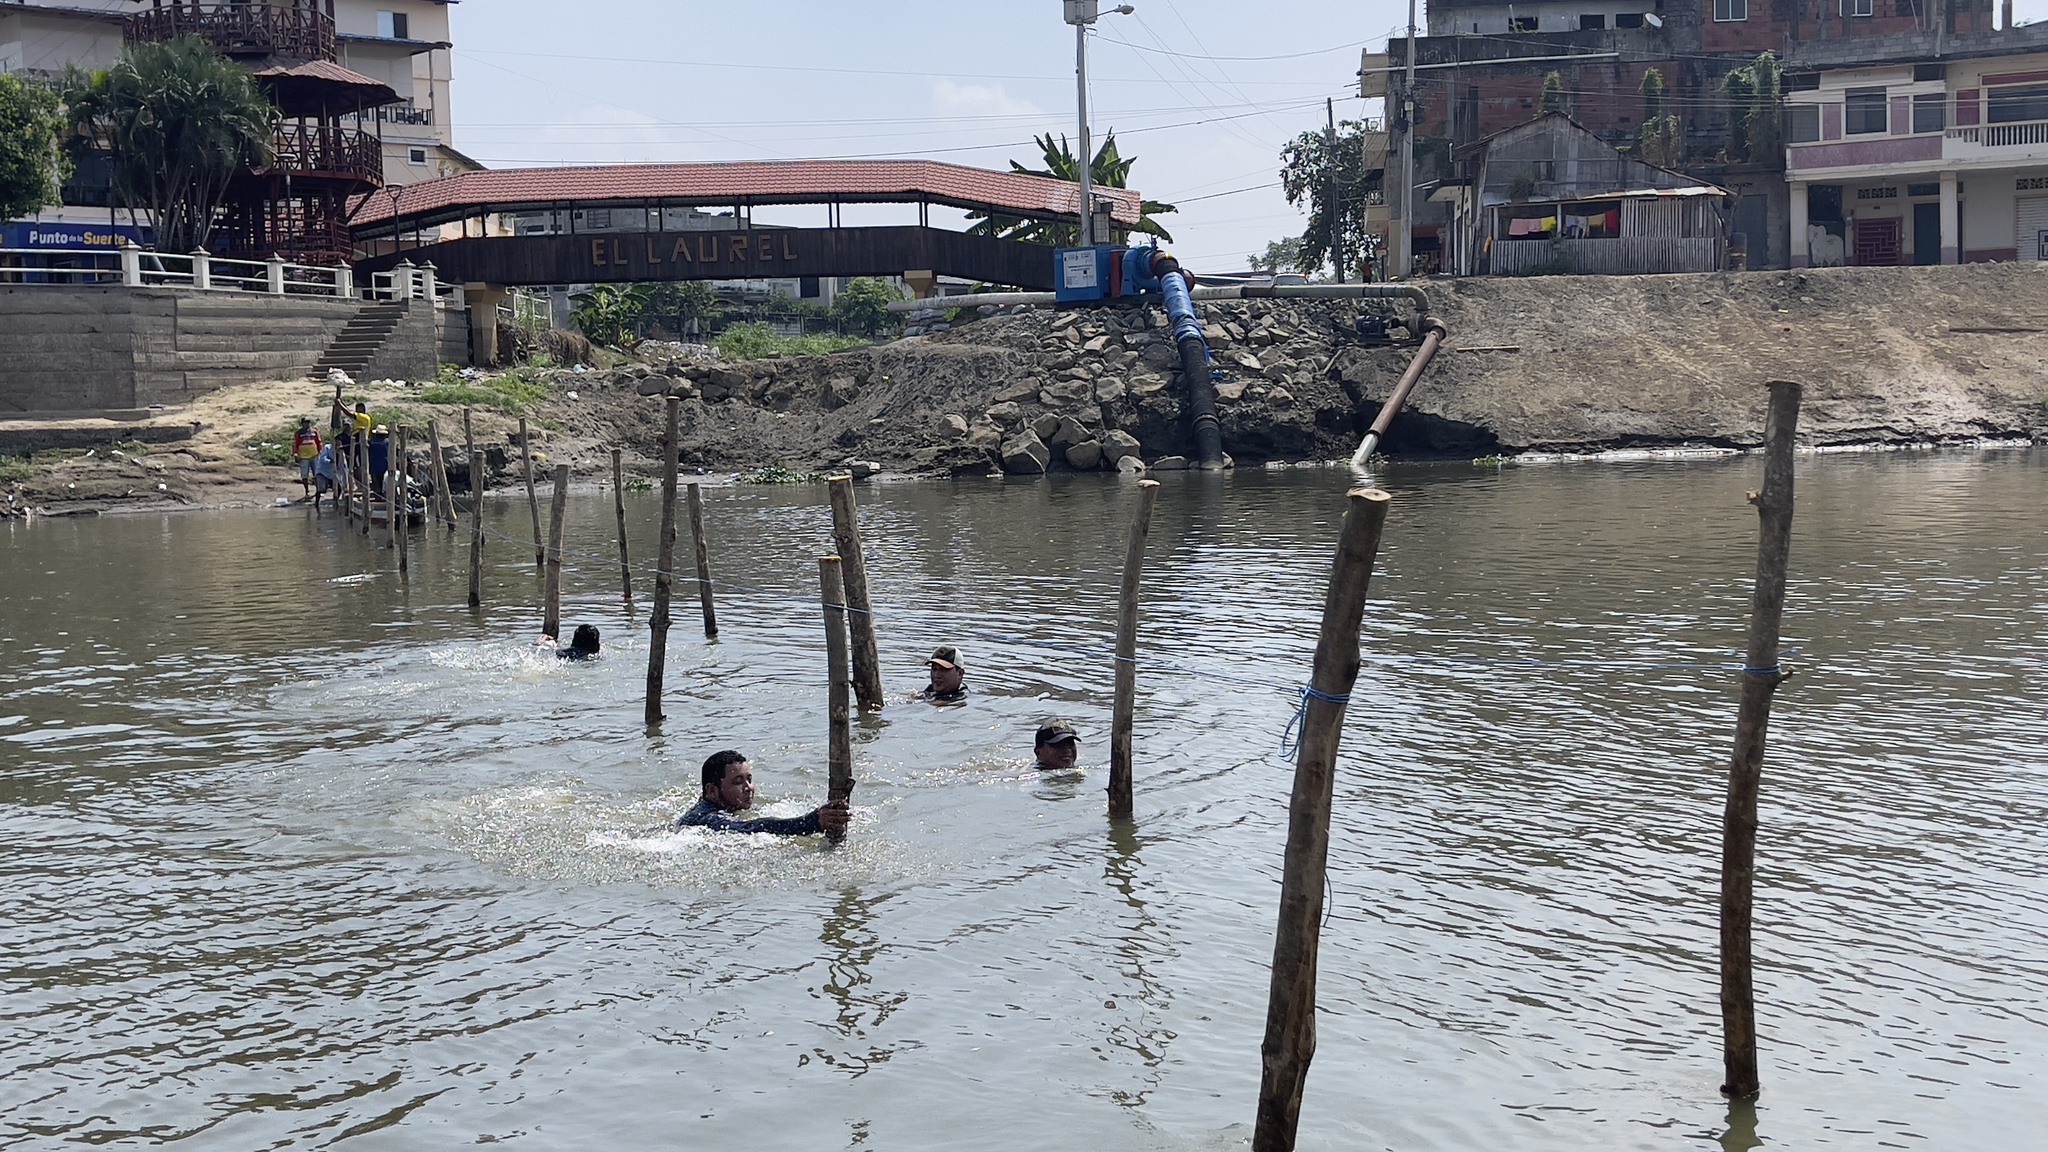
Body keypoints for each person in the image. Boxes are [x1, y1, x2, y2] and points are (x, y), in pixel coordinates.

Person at [677, 750, 850, 837]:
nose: (749, 788)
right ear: (712, 791)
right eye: (738, 782)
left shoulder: (719, 809)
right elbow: (749, 828)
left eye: (749, 779)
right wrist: (812, 822)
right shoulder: (706, 818)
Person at [292, 417, 322, 499]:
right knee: (305, 475)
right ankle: (307, 492)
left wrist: (320, 452)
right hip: (303, 457)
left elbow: (319, 442)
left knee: (317, 474)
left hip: (314, 456)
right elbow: (295, 444)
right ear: (302, 424)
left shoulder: (314, 432)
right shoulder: (299, 433)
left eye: (308, 422)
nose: (307, 424)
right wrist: (295, 454)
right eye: (305, 422)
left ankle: (318, 490)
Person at [311, 442, 336, 510]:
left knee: (338, 488)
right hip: (322, 472)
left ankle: (335, 501)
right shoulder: (327, 447)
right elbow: (323, 458)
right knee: (321, 489)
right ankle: (316, 504)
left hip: (333, 473)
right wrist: (330, 461)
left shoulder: (341, 450)